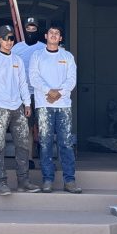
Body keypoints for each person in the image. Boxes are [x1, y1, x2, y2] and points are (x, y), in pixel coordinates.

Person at [0, 24, 40, 196]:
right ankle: (1, 182)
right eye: (6, 38)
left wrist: (27, 104)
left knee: (23, 146)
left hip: (18, 107)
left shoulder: (17, 60)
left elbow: (23, 84)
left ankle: (23, 181)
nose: (9, 42)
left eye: (12, 38)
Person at [29, 25, 81, 193]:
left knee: (66, 143)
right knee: (45, 143)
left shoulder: (67, 56)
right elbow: (34, 77)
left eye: (57, 33)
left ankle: (69, 181)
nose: (53, 35)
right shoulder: (37, 55)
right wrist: (49, 91)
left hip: (63, 105)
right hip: (44, 104)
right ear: (46, 36)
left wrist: (59, 93)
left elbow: (71, 79)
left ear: (60, 38)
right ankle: (47, 180)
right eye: (50, 33)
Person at [11, 17, 46, 156]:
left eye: (34, 29)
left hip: (41, 94)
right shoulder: (16, 48)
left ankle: (44, 158)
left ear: (38, 30)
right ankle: (28, 159)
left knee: (44, 127)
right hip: (23, 94)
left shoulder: (43, 48)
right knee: (27, 127)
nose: (31, 31)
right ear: (24, 30)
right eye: (28, 29)